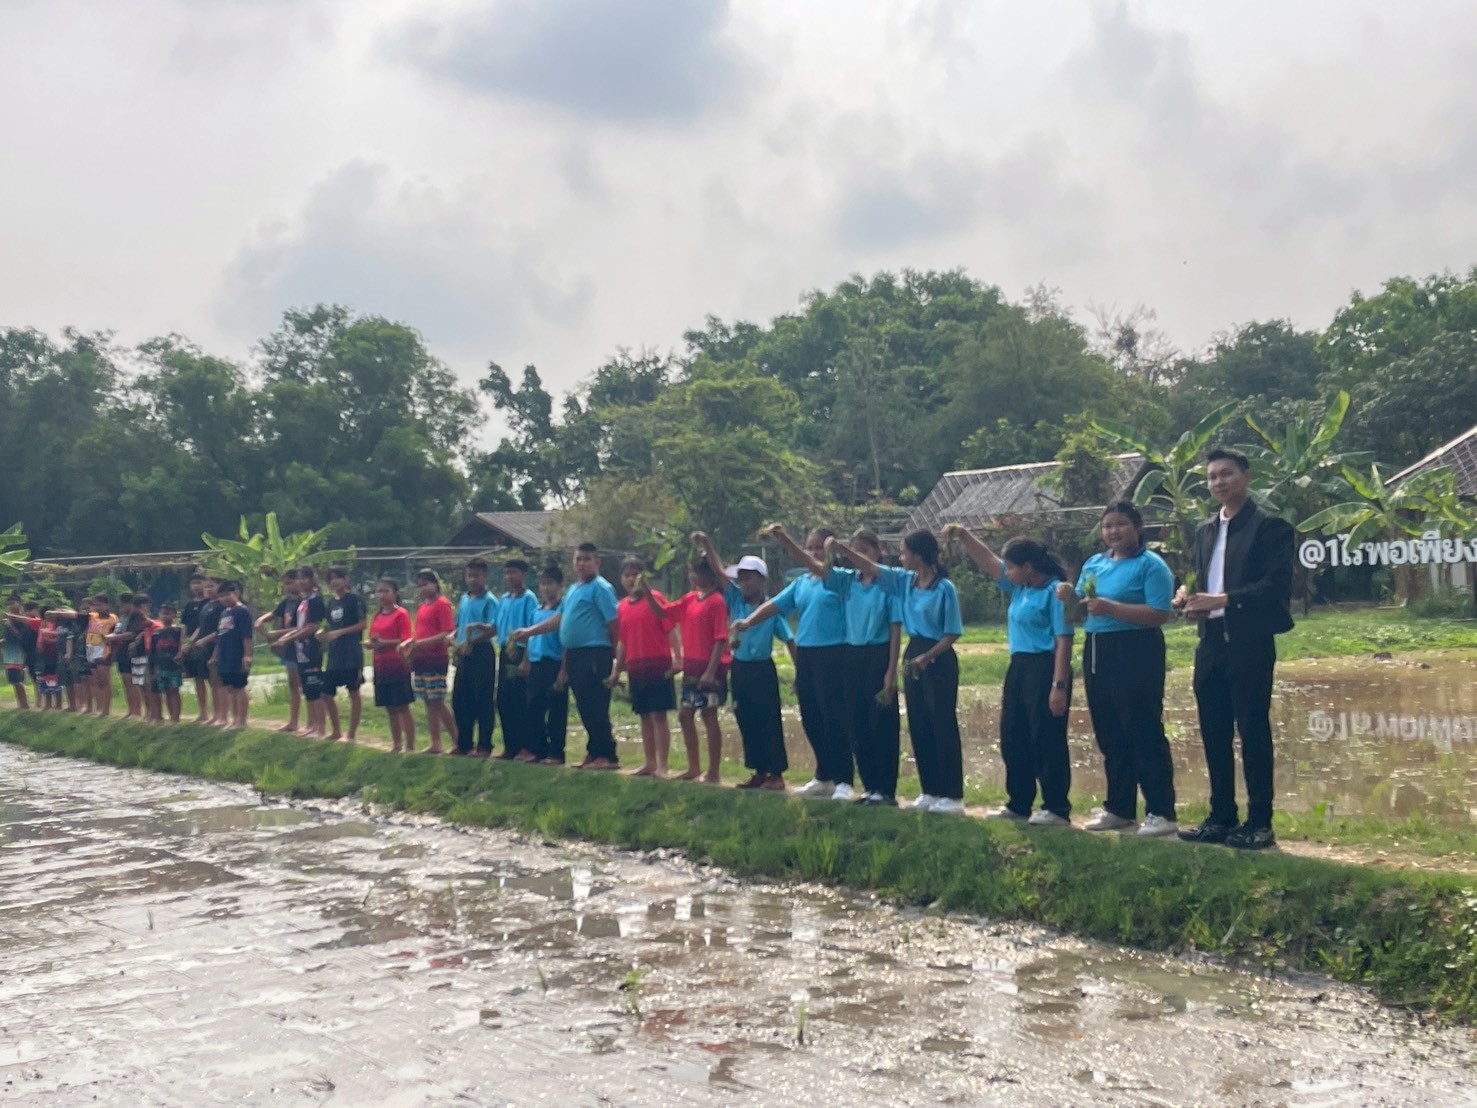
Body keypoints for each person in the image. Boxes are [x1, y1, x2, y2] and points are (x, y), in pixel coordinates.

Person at [1175, 448, 1295, 851]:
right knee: (1213, 731)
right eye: (1211, 477)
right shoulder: (1205, 530)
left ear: (1246, 476)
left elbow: (1275, 585)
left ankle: (1260, 822)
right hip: (1210, 643)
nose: (1218, 482)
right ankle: (1221, 816)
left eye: (1226, 474)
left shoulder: (1270, 527)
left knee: (1253, 730)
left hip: (1249, 642)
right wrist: (1189, 598)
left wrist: (1223, 599)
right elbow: (1200, 578)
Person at [1056, 501, 1178, 837]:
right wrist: (1068, 595)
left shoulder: (1150, 565)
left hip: (1137, 648)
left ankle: (1161, 810)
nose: (1113, 531)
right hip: (1098, 648)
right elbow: (1080, 609)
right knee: (1108, 729)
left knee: (1141, 727)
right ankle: (1119, 807)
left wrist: (1112, 608)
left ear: (1137, 528)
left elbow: (1160, 613)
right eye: (1108, 525)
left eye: (1121, 524)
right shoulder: (1094, 563)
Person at [825, 531, 966, 815]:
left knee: (941, 724)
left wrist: (928, 656)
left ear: (919, 554)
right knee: (919, 723)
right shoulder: (905, 581)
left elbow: (952, 632)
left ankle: (953, 795)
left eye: (904, 552)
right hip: (914, 653)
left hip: (936, 655)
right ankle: (930, 790)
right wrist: (842, 551)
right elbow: (871, 568)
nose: (900, 558)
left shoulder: (944, 588)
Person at [948, 527, 1075, 825]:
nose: (1006, 571)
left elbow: (1064, 641)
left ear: (1028, 568)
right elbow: (989, 561)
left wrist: (1059, 685)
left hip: (1045, 667)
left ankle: (1056, 807)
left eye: (1012, 566)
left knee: (1046, 737)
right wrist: (964, 536)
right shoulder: (1020, 588)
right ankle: (1019, 803)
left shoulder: (1056, 592)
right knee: (1013, 735)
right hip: (1018, 666)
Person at [782, 529, 903, 806]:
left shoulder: (888, 582)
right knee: (857, 722)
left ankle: (886, 790)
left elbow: (894, 628)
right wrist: (785, 539)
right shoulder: (847, 581)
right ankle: (870, 786)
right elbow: (814, 566)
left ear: (877, 551)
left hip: (878, 653)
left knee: (881, 724)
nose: (860, 557)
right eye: (855, 550)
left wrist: (890, 670)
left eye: (866, 551)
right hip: (851, 655)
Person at [739, 524, 850, 800]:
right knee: (811, 717)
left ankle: (844, 779)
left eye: (818, 548)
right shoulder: (801, 583)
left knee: (833, 717)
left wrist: (783, 538)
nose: (812, 553)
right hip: (808, 654)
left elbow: (810, 563)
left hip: (833, 652)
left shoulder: (837, 578)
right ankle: (824, 776)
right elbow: (775, 605)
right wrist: (748, 622)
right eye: (809, 546)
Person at [693, 534, 793, 791]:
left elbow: (790, 641)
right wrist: (707, 543)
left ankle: (776, 773)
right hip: (740, 668)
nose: (745, 583)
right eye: (742, 578)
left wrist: (800, 673)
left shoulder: (771, 609)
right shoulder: (735, 599)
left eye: (749, 577)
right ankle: (759, 770)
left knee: (768, 718)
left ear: (762, 579)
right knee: (745, 718)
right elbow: (719, 572)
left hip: (762, 669)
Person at [512, 543, 619, 770]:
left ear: (597, 562)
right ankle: (594, 751)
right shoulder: (574, 589)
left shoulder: (600, 588)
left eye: (587, 559)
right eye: (578, 559)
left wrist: (616, 654)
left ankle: (606, 755)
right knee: (583, 704)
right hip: (576, 653)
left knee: (595, 703)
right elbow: (559, 620)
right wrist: (530, 632)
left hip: (595, 652)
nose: (581, 563)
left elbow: (614, 621)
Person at [646, 555, 731, 784]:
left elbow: (721, 638)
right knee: (685, 715)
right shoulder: (690, 599)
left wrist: (711, 672)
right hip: (692, 669)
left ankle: (713, 771)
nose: (692, 576)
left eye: (696, 572)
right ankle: (694, 766)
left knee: (709, 715)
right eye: (690, 572)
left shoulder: (717, 602)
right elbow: (662, 612)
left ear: (709, 574)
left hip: (710, 669)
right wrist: (646, 589)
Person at [612, 556, 678, 777]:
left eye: (636, 574)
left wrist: (678, 658)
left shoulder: (656, 598)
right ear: (621, 579)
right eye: (627, 575)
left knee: (659, 715)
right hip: (636, 667)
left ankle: (663, 764)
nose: (631, 579)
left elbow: (670, 629)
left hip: (658, 665)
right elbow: (623, 641)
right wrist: (616, 669)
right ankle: (649, 762)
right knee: (643, 715)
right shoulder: (621, 607)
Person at [404, 568, 457, 754]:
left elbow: (446, 632)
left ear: (435, 584)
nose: (423, 589)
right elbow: (419, 632)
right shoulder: (423, 606)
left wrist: (421, 643)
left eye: (426, 584)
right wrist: (411, 645)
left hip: (436, 658)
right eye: (419, 586)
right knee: (427, 701)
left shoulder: (442, 604)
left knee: (438, 700)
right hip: (421, 658)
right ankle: (436, 742)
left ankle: (456, 739)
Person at [452, 557, 499, 757]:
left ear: (485, 577)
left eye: (476, 576)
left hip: (481, 651)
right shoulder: (464, 598)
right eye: (469, 575)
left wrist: (473, 639)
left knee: (483, 699)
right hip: (463, 653)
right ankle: (464, 743)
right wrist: (454, 639)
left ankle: (484, 745)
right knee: (461, 699)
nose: (472, 580)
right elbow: (458, 625)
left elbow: (494, 628)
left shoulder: (490, 601)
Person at [523, 566, 569, 765]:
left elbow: (566, 641)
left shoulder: (562, 610)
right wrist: (526, 660)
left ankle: (556, 752)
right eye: (543, 584)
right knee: (534, 707)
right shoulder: (537, 611)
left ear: (560, 586)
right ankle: (537, 749)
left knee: (557, 710)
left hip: (555, 662)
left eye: (550, 583)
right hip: (536, 663)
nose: (546, 588)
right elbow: (529, 638)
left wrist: (563, 670)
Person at [495, 558, 540, 761]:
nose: (509, 577)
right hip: (506, 650)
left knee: (521, 699)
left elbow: (533, 629)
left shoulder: (529, 598)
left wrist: (527, 660)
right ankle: (510, 745)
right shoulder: (504, 599)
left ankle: (526, 745)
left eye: (513, 572)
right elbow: (497, 626)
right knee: (504, 700)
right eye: (506, 573)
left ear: (524, 575)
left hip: (521, 651)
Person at [369, 578, 416, 752]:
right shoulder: (377, 615)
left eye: (386, 591)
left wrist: (385, 643)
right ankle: (396, 743)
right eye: (379, 591)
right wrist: (372, 643)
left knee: (402, 705)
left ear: (395, 593)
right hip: (380, 665)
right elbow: (373, 637)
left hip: (397, 665)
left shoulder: (401, 614)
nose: (382, 595)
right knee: (389, 707)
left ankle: (410, 745)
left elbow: (405, 639)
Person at [320, 567, 367, 743]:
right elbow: (329, 625)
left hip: (351, 653)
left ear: (346, 579)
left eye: (338, 578)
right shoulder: (331, 602)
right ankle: (336, 730)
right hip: (334, 654)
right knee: (326, 693)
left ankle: (352, 732)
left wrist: (340, 632)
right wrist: (322, 633)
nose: (334, 582)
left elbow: (363, 624)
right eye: (331, 579)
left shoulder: (355, 600)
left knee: (353, 691)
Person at [282, 566, 329, 738]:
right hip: (301, 649)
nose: (301, 582)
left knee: (315, 686)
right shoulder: (304, 600)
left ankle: (321, 727)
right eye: (299, 579)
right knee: (308, 688)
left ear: (312, 580)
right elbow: (299, 626)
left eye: (304, 578)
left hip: (312, 648)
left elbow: (313, 626)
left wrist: (289, 638)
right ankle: (313, 724)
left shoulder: (316, 600)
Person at [256, 570, 303, 734]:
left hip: (302, 645)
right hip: (288, 646)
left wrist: (277, 634)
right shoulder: (288, 600)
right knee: (293, 683)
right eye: (285, 583)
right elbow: (275, 613)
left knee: (306, 684)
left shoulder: (305, 601)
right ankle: (293, 721)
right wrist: (261, 620)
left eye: (290, 582)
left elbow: (303, 627)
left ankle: (314, 722)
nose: (287, 586)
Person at [210, 580, 253, 730]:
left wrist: (247, 655)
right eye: (221, 596)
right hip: (224, 656)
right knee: (229, 688)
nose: (224, 599)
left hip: (237, 654)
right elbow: (220, 636)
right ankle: (234, 719)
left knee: (239, 687)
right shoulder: (224, 613)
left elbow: (247, 636)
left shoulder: (243, 611)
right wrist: (215, 656)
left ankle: (242, 720)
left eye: (227, 594)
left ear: (236, 593)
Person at [108, 593, 147, 719]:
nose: (121, 608)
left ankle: (137, 711)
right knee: (125, 680)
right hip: (122, 652)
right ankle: (131, 709)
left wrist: (114, 637)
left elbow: (132, 634)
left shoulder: (136, 616)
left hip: (133, 652)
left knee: (133, 682)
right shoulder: (122, 618)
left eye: (124, 605)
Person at [180, 573, 212, 722]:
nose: (195, 586)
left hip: (204, 644)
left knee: (211, 678)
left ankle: (219, 711)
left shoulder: (209, 603)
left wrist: (191, 641)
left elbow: (202, 625)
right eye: (193, 583)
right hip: (190, 646)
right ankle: (203, 711)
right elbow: (185, 625)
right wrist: (183, 643)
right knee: (197, 678)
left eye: (198, 582)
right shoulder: (189, 604)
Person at [150, 602, 185, 723]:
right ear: (159, 615)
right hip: (160, 665)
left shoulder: (178, 631)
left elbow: (182, 646)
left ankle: (175, 717)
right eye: (163, 614)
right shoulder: (156, 633)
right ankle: (168, 716)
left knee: (174, 691)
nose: (166, 616)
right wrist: (152, 667)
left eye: (169, 614)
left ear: (174, 615)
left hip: (174, 666)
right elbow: (152, 652)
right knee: (164, 692)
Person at [85, 594, 117, 716]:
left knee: (104, 680)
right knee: (95, 680)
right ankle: (99, 707)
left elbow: (116, 633)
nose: (97, 607)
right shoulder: (92, 617)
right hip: (91, 649)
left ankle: (106, 709)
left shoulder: (113, 618)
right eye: (95, 605)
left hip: (104, 650)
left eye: (100, 604)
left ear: (106, 605)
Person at [130, 594, 161, 721]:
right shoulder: (134, 618)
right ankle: (148, 710)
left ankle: (154, 712)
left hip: (148, 654)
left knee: (148, 685)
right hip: (138, 653)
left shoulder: (152, 621)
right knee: (140, 684)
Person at [3, 594, 33, 710]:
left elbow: (21, 636)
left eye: (13, 603)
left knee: (17, 678)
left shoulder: (22, 619)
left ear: (20, 603)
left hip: (18, 652)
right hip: (9, 651)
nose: (10, 606)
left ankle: (25, 704)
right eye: (9, 604)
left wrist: (10, 626)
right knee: (12, 679)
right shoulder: (9, 619)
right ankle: (19, 703)